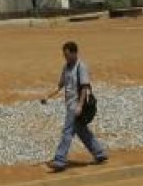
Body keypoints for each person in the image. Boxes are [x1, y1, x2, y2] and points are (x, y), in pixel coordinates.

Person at [40, 40, 107, 172]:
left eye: (67, 55)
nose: (65, 57)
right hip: (70, 104)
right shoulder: (66, 67)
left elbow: (84, 87)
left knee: (67, 132)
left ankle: (59, 160)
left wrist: (80, 106)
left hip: (76, 105)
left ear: (74, 53)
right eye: (64, 55)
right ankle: (99, 153)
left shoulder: (81, 67)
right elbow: (60, 85)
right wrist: (48, 96)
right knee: (82, 130)